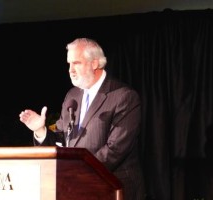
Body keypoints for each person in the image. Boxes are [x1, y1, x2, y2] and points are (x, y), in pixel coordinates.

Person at [19, 38, 146, 200]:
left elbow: (115, 150)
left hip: (113, 187)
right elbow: (62, 140)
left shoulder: (124, 96)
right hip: (77, 187)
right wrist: (40, 130)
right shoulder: (73, 95)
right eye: (69, 64)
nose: (70, 70)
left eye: (76, 63)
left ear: (94, 64)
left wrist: (74, 172)